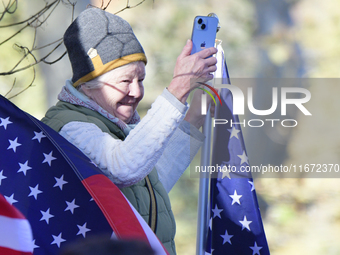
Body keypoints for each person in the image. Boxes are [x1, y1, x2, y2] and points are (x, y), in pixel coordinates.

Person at [42, 7, 217, 255]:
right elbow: (124, 167)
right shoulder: (68, 126)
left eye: (141, 80)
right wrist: (178, 88)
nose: (136, 92)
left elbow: (151, 182)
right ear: (88, 84)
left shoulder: (117, 124)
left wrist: (196, 114)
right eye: (125, 81)